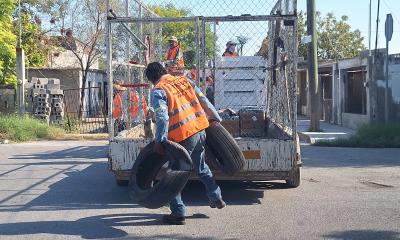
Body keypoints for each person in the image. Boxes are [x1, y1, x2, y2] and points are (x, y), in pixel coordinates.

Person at [145, 62, 226, 225]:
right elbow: (203, 100)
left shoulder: (159, 90)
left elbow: (162, 117)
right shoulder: (185, 80)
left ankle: (178, 212)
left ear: (152, 79)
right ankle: (216, 197)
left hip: (181, 137)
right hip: (199, 129)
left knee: (174, 173)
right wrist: (216, 117)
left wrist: (160, 140)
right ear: (165, 71)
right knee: (201, 166)